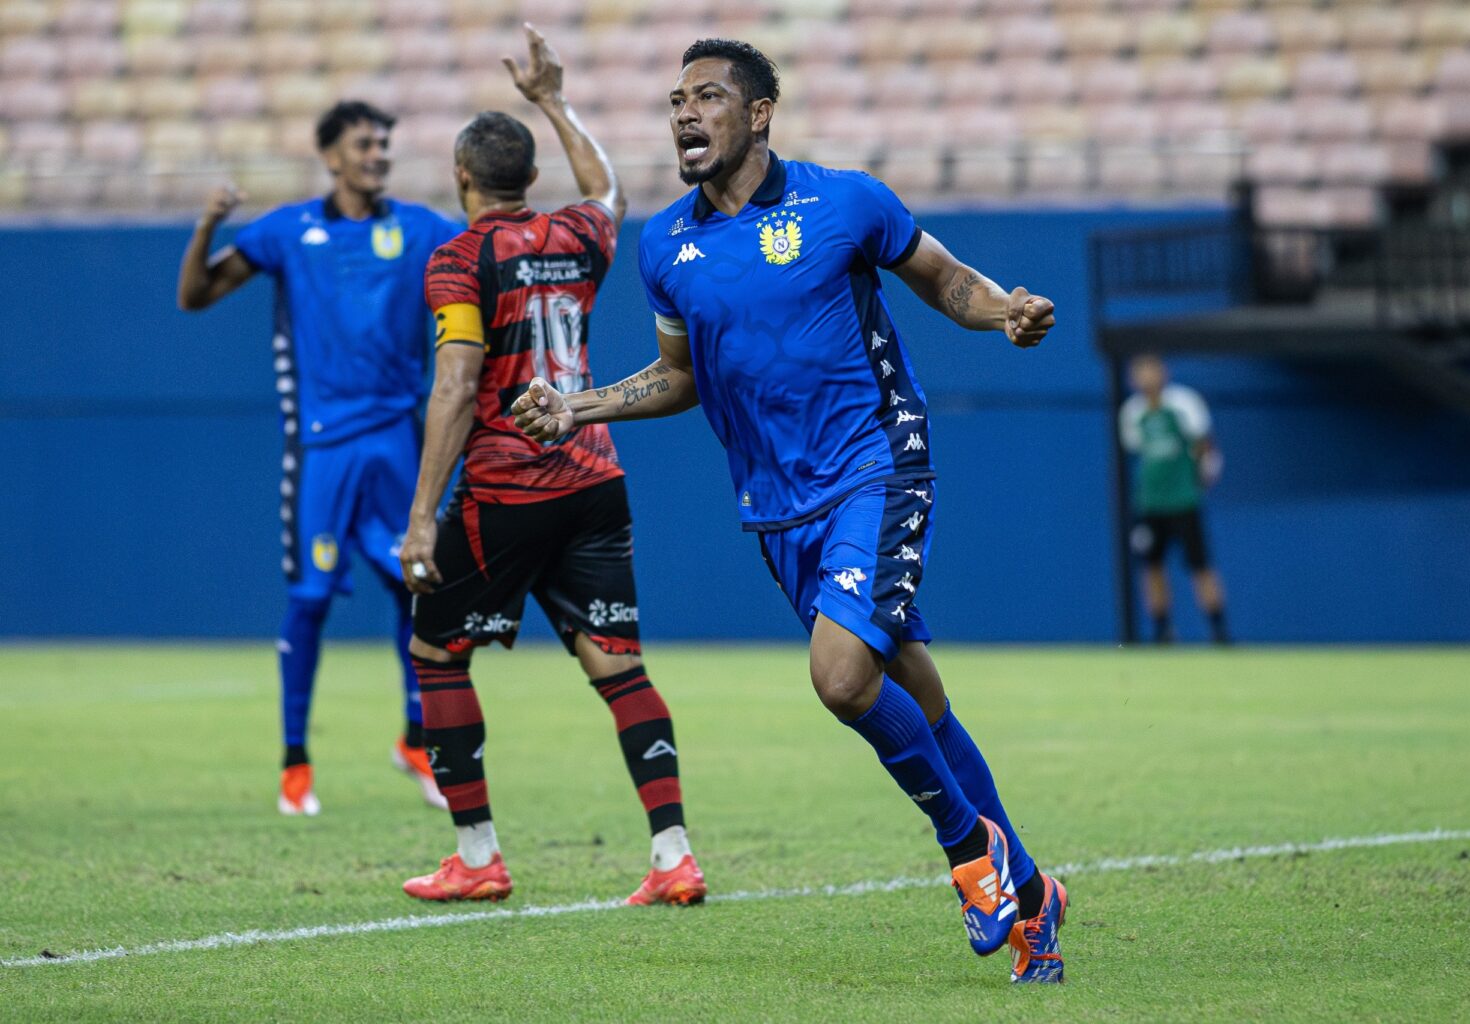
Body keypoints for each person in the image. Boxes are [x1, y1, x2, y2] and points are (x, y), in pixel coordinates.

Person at [512, 39, 1066, 983]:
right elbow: (678, 375)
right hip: (777, 504)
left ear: (760, 113)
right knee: (917, 695)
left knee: (843, 678)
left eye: (710, 97)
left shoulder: (844, 200)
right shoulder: (668, 243)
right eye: (676, 99)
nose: (685, 113)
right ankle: (1035, 898)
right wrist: (577, 405)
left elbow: (945, 280)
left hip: (875, 462)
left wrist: (1003, 310)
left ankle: (970, 854)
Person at [396, 27, 705, 908]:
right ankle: (673, 854)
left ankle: (478, 855)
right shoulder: (577, 234)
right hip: (595, 478)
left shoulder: (460, 260)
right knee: (618, 664)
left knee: (435, 651)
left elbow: (456, 386)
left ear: (464, 178)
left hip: (506, 489)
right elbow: (607, 186)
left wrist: (423, 517)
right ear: (531, 178)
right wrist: (555, 100)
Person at [177, 101, 461, 816]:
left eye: (385, 143)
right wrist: (208, 225)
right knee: (308, 600)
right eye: (366, 143)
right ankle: (295, 760)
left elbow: (480, 269)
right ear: (331, 156)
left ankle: (416, 741)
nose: (379, 154)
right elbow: (196, 296)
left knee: (416, 589)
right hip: (324, 447)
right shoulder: (286, 232)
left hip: (398, 440)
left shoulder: (422, 229)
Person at [1119, 355, 1232, 645]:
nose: (1146, 377)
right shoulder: (1132, 413)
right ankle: (1162, 631)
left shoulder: (1184, 403)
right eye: (1140, 371)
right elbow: (1138, 452)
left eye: (1151, 369)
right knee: (1152, 566)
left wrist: (1204, 474)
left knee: (1200, 565)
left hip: (1184, 502)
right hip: (1150, 505)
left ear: (1163, 372)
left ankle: (1219, 632)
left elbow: (1204, 447)